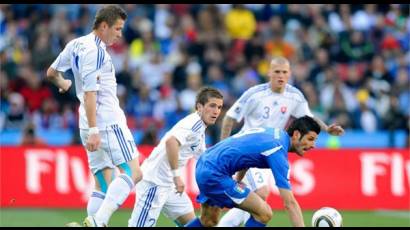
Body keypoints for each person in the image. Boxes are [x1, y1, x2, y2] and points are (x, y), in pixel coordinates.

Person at [217, 56, 344, 227]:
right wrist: (223, 147)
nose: (280, 76)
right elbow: (229, 117)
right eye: (277, 72)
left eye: (284, 72)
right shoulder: (255, 94)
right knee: (260, 194)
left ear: (289, 74)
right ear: (269, 73)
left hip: (270, 152)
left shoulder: (294, 96)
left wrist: (327, 128)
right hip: (249, 149)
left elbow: (309, 118)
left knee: (255, 199)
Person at [46, 5, 142, 227]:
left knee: (103, 184)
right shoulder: (96, 52)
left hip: (86, 120)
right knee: (133, 172)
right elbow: (91, 93)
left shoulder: (76, 43)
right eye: (117, 29)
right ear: (104, 26)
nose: (120, 34)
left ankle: (94, 222)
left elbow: (52, 73)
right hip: (106, 121)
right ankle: (98, 221)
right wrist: (95, 130)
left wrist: (63, 82)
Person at [185, 116, 321, 227]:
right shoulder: (277, 149)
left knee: (209, 221)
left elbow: (245, 155)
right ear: (296, 134)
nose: (313, 145)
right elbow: (289, 203)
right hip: (215, 173)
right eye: (310, 139)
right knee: (264, 213)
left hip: (204, 164)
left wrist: (237, 181)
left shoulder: (273, 134)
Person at [128, 87, 223, 227]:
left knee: (196, 223)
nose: (216, 111)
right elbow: (171, 142)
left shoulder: (200, 129)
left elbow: (203, 158)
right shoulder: (194, 125)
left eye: (219, 107)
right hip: (155, 183)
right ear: (199, 107)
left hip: (170, 187)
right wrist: (176, 176)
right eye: (212, 106)